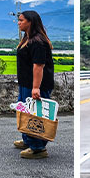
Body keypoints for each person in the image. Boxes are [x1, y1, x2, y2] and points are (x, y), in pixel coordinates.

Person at [14, 10, 55, 160]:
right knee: (25, 112)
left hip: (36, 85)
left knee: (35, 115)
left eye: (21, 20)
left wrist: (36, 87)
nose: (18, 23)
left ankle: (38, 147)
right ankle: (28, 140)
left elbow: (38, 66)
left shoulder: (37, 41)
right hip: (26, 83)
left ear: (30, 22)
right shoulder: (28, 38)